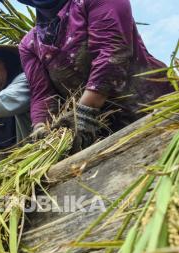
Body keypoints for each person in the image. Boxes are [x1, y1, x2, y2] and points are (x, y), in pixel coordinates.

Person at [18, 0, 174, 152]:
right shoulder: (29, 44)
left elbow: (112, 53)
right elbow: (43, 94)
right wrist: (40, 127)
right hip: (105, 135)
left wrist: (85, 112)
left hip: (154, 107)